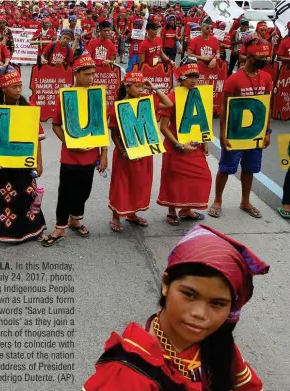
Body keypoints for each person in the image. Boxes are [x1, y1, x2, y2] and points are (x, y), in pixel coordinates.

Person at [83, 224, 267, 391]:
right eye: (189, 295)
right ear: (165, 284)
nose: (200, 314)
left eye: (218, 304)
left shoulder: (219, 343)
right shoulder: (127, 373)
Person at [44, 55, 107, 246]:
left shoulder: (97, 95)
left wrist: (104, 154)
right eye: (87, 74)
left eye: (93, 74)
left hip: (91, 156)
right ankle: (60, 226)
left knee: (84, 190)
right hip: (70, 156)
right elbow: (56, 125)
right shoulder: (65, 96)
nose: (91, 78)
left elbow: (101, 126)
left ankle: (75, 219)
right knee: (66, 191)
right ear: (76, 74)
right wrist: (70, 143)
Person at [209, 43, 273, 219]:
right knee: (226, 168)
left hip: (256, 133)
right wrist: (222, 134)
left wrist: (267, 131)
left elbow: (267, 106)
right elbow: (224, 109)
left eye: (266, 59)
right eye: (261, 59)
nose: (265, 62)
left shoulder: (267, 78)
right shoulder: (234, 80)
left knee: (250, 168)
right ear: (250, 58)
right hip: (235, 132)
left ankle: (245, 201)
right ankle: (218, 201)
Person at [0, 66, 46, 244]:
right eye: (14, 87)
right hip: (4, 165)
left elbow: (36, 139)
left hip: (24, 163)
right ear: (3, 88)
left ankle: (33, 230)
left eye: (20, 86)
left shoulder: (28, 108)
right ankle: (5, 233)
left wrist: (38, 163)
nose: (19, 90)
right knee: (5, 198)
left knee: (28, 195)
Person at [108, 71, 173, 233]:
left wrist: (153, 87)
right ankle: (116, 216)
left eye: (142, 87)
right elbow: (114, 134)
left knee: (139, 184)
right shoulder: (118, 106)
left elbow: (168, 103)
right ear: (127, 88)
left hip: (143, 152)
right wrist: (123, 151)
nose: (141, 90)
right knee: (121, 185)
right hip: (125, 155)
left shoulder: (147, 102)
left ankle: (132, 214)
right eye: (137, 87)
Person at [157, 58, 210, 226]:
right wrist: (179, 145)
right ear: (181, 78)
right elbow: (163, 127)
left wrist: (205, 141)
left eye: (196, 76)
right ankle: (172, 211)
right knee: (174, 179)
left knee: (202, 176)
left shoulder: (199, 93)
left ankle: (186, 209)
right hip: (175, 145)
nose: (194, 80)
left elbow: (203, 119)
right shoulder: (172, 96)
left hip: (194, 144)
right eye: (190, 76)